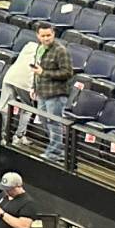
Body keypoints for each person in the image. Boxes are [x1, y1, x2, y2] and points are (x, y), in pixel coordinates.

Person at [30, 24, 74, 153]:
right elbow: (36, 69)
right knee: (44, 121)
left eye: (48, 35)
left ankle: (54, 153)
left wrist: (44, 72)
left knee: (54, 123)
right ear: (38, 36)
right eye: (43, 36)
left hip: (56, 93)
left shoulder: (61, 50)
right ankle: (58, 150)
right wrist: (33, 87)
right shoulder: (40, 48)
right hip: (42, 92)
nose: (46, 38)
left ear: (53, 34)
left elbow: (67, 73)